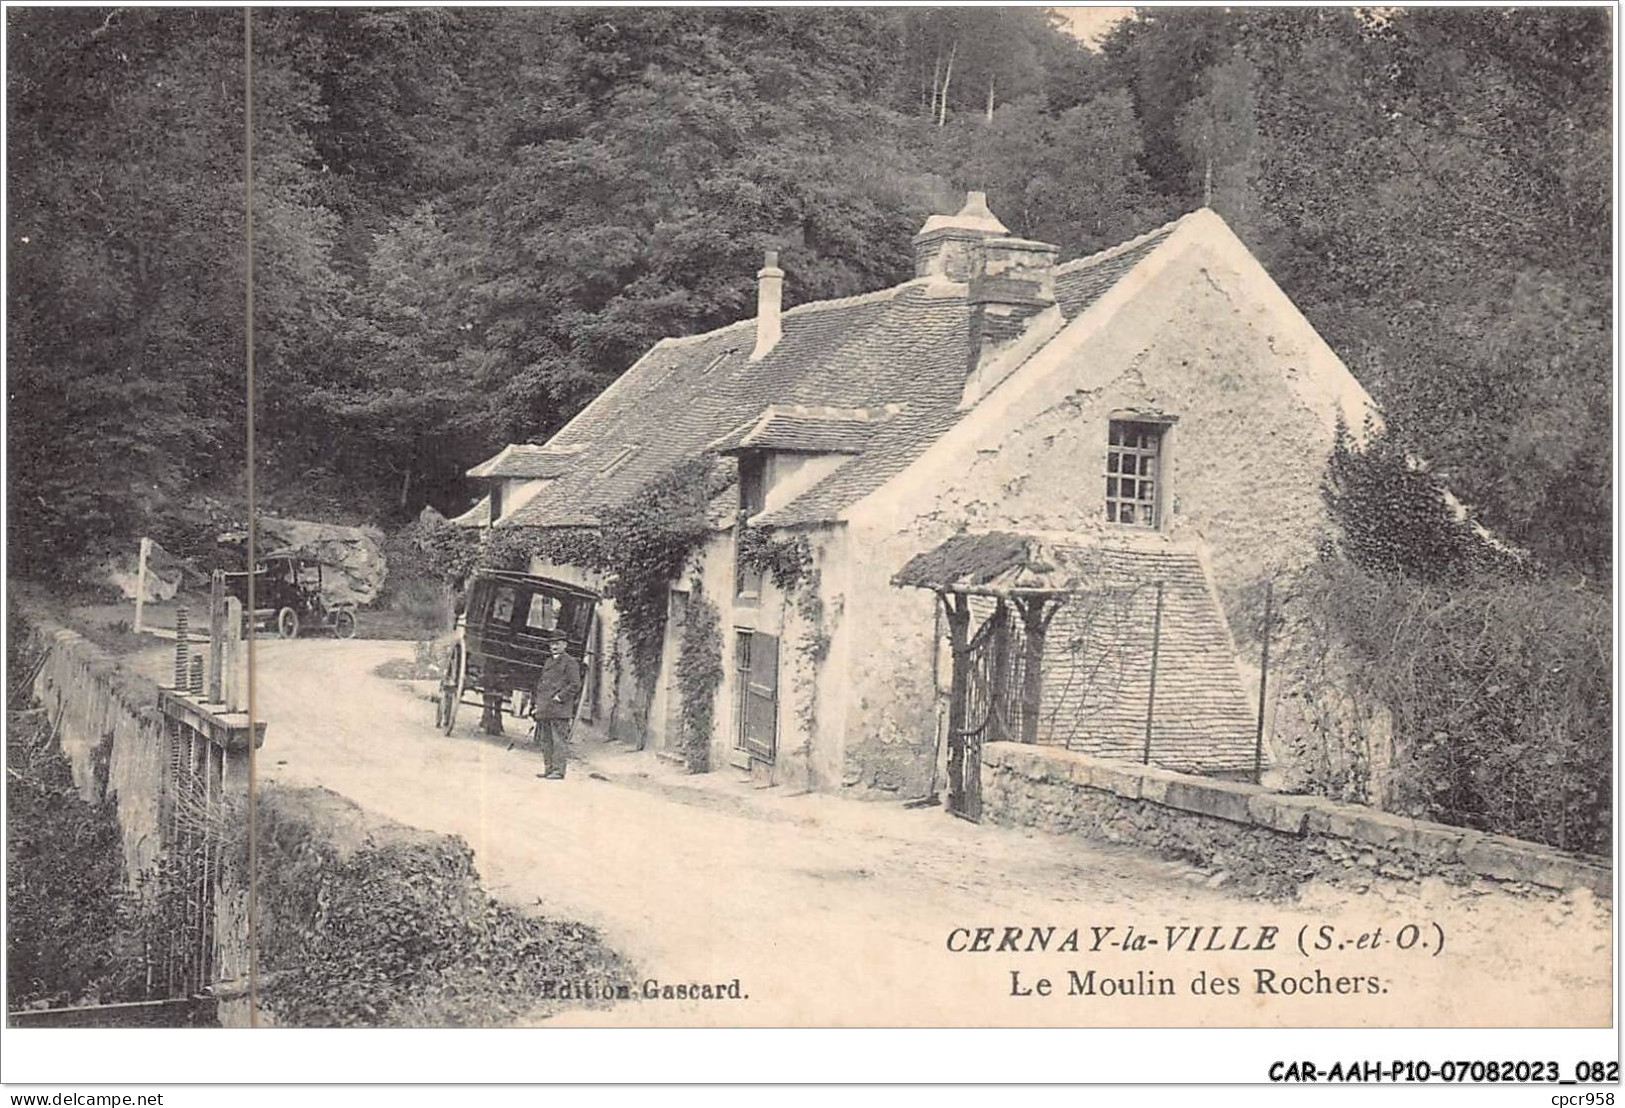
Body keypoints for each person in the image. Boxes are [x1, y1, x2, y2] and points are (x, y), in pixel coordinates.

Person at [531, 635, 583, 779]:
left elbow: (575, 684)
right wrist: (538, 704)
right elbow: (542, 685)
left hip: (560, 708)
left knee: (558, 740)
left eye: (557, 644)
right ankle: (548, 768)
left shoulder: (570, 662)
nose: (554, 647)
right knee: (545, 740)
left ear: (565, 645)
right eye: (552, 644)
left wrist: (560, 697)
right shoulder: (548, 661)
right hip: (546, 707)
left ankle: (558, 771)